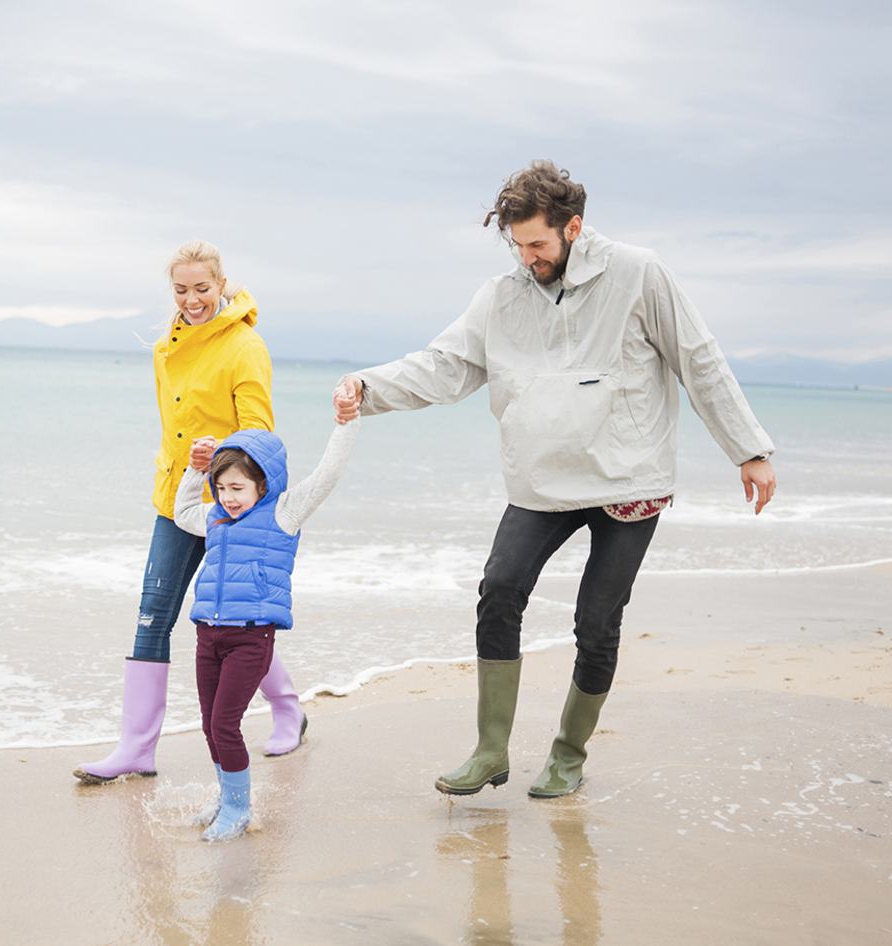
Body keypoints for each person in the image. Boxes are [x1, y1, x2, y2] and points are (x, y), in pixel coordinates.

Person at [332, 160, 777, 799]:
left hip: (629, 478)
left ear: (574, 227)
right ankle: (490, 750)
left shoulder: (638, 272)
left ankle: (568, 754)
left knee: (597, 620)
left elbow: (697, 356)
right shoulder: (504, 294)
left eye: (538, 243)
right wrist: (367, 386)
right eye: (517, 245)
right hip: (542, 477)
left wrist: (749, 448)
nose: (528, 257)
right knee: (499, 589)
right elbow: (447, 365)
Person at [74, 241, 308, 784]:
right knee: (153, 612)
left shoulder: (246, 346)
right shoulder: (163, 349)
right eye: (181, 290)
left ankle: (289, 710)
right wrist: (184, 472)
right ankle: (136, 749)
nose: (193, 299)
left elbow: (259, 435)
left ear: (222, 285)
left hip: (233, 504)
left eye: (203, 288)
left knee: (238, 617)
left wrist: (219, 455)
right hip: (177, 500)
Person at [173, 409, 360, 841]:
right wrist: (195, 469)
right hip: (208, 634)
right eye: (220, 488)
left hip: (250, 638)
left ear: (263, 483)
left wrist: (347, 421)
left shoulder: (283, 513)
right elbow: (184, 512)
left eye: (237, 487)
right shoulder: (216, 517)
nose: (227, 497)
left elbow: (328, 473)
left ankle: (239, 808)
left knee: (224, 722)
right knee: (208, 723)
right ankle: (225, 793)